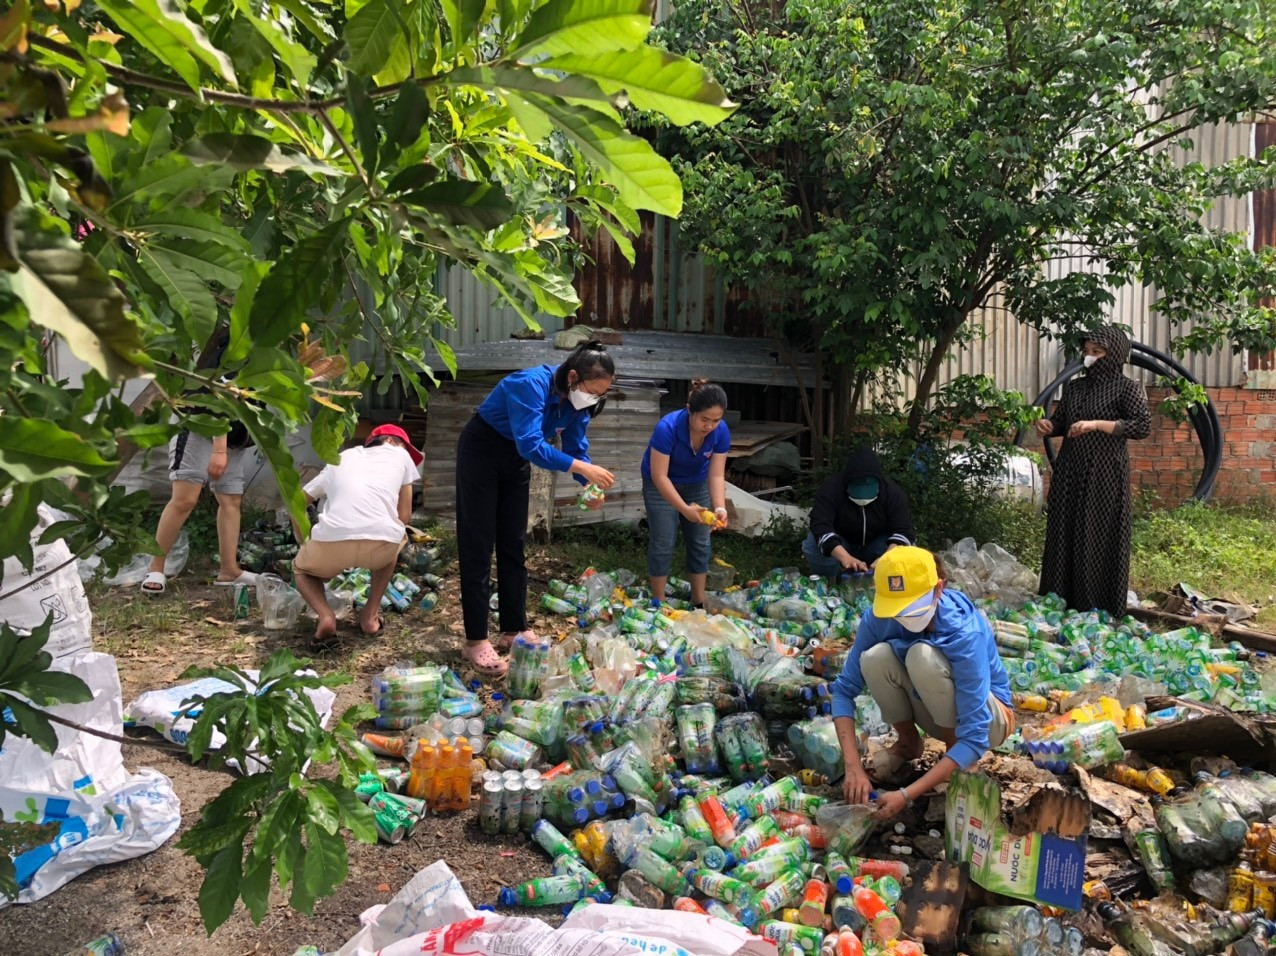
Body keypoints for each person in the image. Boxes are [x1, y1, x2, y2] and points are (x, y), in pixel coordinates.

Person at [455, 341, 617, 676]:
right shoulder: (528, 385)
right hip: (482, 451)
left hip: (515, 459)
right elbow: (532, 443)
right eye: (593, 390)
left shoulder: (576, 404)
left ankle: (513, 629)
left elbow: (575, 448)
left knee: (514, 543)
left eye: (603, 394)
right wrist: (583, 469)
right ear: (573, 376)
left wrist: (588, 485)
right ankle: (475, 640)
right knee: (478, 543)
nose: (595, 398)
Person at [830, 547, 1014, 821]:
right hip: (932, 705)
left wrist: (906, 795)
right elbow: (844, 691)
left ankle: (962, 765)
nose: (903, 615)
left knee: (922, 655)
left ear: (939, 589)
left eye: (911, 606)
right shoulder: (878, 619)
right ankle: (908, 744)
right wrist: (852, 766)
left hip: (988, 720)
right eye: (896, 608)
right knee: (875, 657)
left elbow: (976, 734)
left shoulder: (964, 631)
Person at [1035, 326, 1151, 617]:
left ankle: (1096, 605)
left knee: (1096, 532)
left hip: (1104, 473)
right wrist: (1049, 426)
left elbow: (1141, 426)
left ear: (1114, 355)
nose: (1090, 357)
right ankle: (1060, 599)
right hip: (1071, 468)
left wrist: (1096, 424)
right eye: (1087, 351)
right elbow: (1061, 422)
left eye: (1097, 352)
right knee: (1065, 529)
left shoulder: (1127, 388)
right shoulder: (1075, 388)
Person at [142, 329, 256, 594]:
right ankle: (156, 567)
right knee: (184, 500)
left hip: (234, 436)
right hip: (199, 428)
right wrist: (219, 448)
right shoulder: (229, 352)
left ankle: (229, 570)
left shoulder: (262, 355)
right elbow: (214, 399)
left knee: (230, 501)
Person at [292, 425, 422, 642]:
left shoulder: (342, 457)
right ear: (390, 441)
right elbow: (404, 517)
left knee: (301, 569)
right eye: (405, 446)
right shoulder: (400, 455)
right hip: (381, 544)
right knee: (396, 535)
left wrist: (305, 544)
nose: (407, 453)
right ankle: (370, 618)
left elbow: (296, 503)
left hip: (331, 539)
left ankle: (325, 617)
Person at [641, 379, 731, 607]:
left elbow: (716, 474)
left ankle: (699, 599)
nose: (709, 426)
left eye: (716, 420)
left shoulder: (721, 432)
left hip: (696, 483)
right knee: (663, 540)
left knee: (701, 540)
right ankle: (658, 601)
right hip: (661, 483)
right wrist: (684, 509)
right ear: (690, 409)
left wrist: (719, 507)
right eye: (704, 419)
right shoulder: (667, 428)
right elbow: (659, 476)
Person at [804, 446, 915, 576]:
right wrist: (845, 557)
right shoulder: (831, 488)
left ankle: (884, 582)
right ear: (847, 483)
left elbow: (904, 530)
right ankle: (830, 581)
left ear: (878, 483)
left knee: (907, 549)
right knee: (812, 543)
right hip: (842, 543)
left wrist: (887, 558)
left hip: (878, 545)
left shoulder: (893, 493)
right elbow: (820, 524)